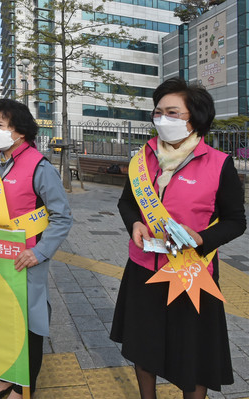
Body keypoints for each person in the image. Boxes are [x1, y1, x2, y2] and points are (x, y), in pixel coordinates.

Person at [110, 78, 247, 399]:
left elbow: (235, 222)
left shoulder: (219, 164)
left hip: (192, 273)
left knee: (193, 359)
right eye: (158, 113)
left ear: (194, 118)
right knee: (144, 350)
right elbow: (127, 202)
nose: (162, 120)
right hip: (144, 268)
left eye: (172, 113)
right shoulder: (141, 160)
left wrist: (201, 239)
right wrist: (134, 225)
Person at [0, 99, 73, 399]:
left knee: (29, 324)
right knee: (0, 321)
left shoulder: (39, 167)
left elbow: (62, 217)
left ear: (20, 132)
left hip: (24, 260)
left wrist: (39, 253)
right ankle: (5, 378)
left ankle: (23, 387)